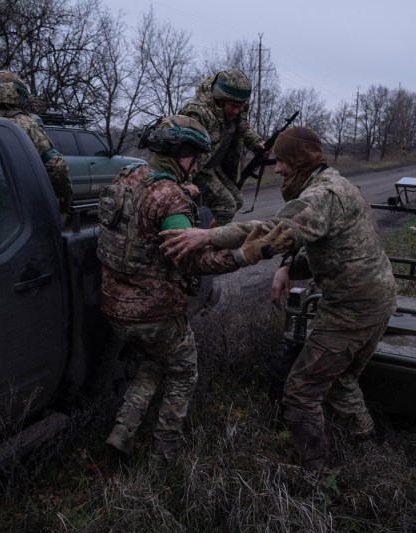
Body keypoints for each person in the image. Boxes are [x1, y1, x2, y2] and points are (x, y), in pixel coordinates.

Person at [160, 126, 397, 472]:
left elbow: (274, 231)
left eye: (283, 162)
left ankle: (317, 477)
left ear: (299, 161)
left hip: (352, 308)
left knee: (300, 394)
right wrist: (289, 269)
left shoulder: (323, 195)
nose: (278, 169)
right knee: (341, 380)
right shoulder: (337, 185)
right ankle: (365, 447)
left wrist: (209, 237)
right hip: (376, 298)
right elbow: (332, 248)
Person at [97, 115, 291, 470]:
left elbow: (141, 215)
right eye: (196, 157)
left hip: (113, 305)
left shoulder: (125, 178)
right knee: (184, 370)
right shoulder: (170, 197)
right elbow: (193, 261)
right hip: (154, 313)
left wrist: (179, 194)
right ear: (184, 155)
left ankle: (121, 434)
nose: (198, 164)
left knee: (153, 361)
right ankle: (163, 458)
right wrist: (246, 254)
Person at [0, 71, 73, 212]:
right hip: (13, 207)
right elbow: (56, 166)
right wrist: (64, 197)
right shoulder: (23, 123)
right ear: (16, 93)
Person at [178, 69, 265, 226]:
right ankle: (203, 241)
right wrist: (185, 182)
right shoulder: (196, 112)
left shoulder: (235, 106)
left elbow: (242, 127)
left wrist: (256, 142)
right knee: (226, 206)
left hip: (213, 168)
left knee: (237, 201)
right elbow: (183, 150)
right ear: (220, 98)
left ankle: (208, 232)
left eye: (241, 106)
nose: (237, 111)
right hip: (195, 170)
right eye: (233, 106)